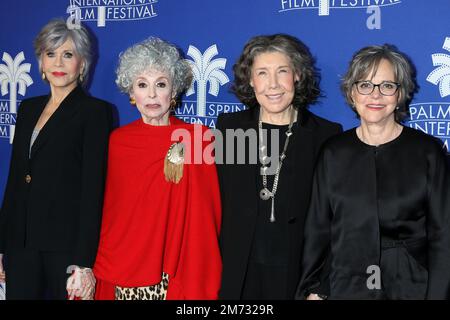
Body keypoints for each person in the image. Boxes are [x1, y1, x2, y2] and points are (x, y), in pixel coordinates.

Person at [297, 44, 450, 300]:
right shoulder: (333, 152)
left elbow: (444, 237)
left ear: (400, 94)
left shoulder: (428, 152)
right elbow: (318, 231)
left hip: (411, 286)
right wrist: (313, 289)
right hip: (345, 284)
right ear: (352, 92)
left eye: (387, 86)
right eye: (365, 85)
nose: (375, 95)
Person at [92, 37, 222, 300]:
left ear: (173, 92)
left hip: (173, 269)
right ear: (131, 93)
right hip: (124, 264)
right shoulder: (117, 141)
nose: (151, 94)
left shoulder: (198, 138)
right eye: (142, 85)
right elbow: (110, 209)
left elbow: (208, 213)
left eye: (160, 84)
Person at [216, 34, 342, 300]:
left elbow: (337, 217)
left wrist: (321, 287)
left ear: (296, 74)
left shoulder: (326, 136)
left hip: (298, 276)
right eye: (262, 73)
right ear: (250, 80)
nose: (272, 84)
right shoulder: (229, 128)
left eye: (281, 71)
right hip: (237, 273)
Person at [0, 18, 113, 299]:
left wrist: (84, 261)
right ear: (40, 62)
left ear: (83, 63)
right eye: (50, 54)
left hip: (65, 247)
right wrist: (2, 245)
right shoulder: (28, 108)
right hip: (20, 245)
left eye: (68, 55)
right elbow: (15, 180)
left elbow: (92, 190)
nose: (58, 64)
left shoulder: (95, 112)